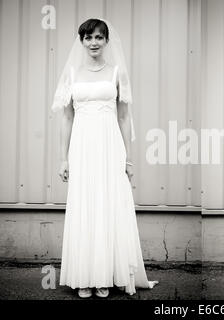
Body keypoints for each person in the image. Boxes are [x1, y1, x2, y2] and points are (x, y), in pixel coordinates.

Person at [51, 18, 158, 298]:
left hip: (110, 146)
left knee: (108, 204)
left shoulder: (116, 72)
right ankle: (84, 276)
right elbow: (66, 118)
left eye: (99, 37)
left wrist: (128, 157)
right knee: (85, 204)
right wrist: (63, 158)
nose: (94, 42)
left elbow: (124, 116)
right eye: (88, 38)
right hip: (82, 147)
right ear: (82, 41)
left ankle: (106, 276)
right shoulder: (72, 74)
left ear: (107, 41)